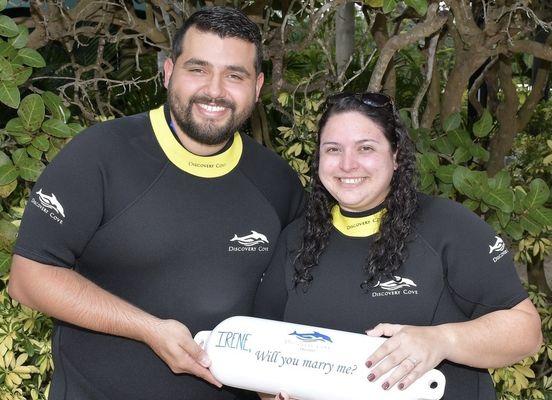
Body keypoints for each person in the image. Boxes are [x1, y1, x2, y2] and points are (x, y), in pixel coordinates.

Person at [8, 6, 304, 400]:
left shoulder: (276, 181)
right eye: (197, 69)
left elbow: (304, 290)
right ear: (168, 72)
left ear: (257, 86)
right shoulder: (100, 155)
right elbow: (29, 278)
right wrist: (149, 329)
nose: (214, 90)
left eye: (235, 75)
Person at [255, 92, 542, 400]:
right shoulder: (296, 240)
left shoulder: (447, 226)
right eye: (333, 150)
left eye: (365, 148)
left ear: (395, 156)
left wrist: (441, 340)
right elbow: (263, 357)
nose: (347, 164)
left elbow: (526, 332)